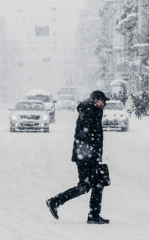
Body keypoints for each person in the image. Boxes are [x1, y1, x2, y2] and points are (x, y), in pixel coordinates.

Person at [46, 90, 110, 225]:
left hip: (88, 155)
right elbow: (85, 135)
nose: (104, 104)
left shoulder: (91, 110)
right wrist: (91, 155)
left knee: (95, 183)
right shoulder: (89, 111)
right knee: (89, 185)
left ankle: (92, 214)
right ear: (96, 100)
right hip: (86, 156)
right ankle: (56, 201)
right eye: (103, 101)